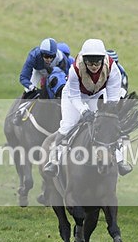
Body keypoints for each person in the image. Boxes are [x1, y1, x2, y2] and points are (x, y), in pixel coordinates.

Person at [44, 38, 132, 177]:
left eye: (97, 62)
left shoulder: (112, 67)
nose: (94, 66)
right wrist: (83, 111)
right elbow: (73, 95)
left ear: (103, 59)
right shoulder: (75, 69)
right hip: (74, 96)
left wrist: (109, 110)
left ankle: (120, 160)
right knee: (68, 125)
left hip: (97, 94)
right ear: (84, 60)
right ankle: (54, 160)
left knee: (108, 123)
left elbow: (113, 94)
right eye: (90, 62)